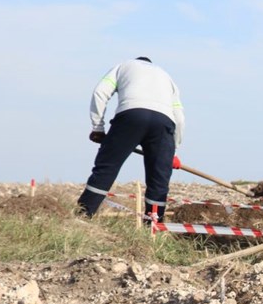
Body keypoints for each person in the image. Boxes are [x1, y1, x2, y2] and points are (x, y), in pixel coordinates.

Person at [77, 57, 184, 222]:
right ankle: (153, 226)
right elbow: (179, 117)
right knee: (159, 179)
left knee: (107, 167)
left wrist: (98, 128)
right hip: (164, 122)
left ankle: (83, 216)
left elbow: (100, 92)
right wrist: (172, 151)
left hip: (131, 115)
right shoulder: (166, 76)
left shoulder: (122, 67)